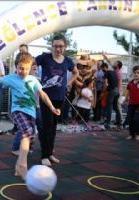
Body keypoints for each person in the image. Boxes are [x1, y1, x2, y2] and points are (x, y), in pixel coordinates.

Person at [0, 52, 60, 179]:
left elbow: (43, 95)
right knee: (27, 132)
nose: (23, 71)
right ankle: (23, 165)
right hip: (17, 111)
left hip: (31, 113)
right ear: (16, 66)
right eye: (21, 68)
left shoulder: (33, 80)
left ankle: (18, 167)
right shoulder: (11, 78)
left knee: (30, 138)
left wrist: (51, 107)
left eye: (27, 69)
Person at [35, 34, 78, 166]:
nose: (57, 49)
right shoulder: (45, 57)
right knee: (47, 125)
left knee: (53, 127)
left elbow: (76, 73)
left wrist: (69, 83)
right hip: (46, 96)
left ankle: (50, 153)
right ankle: (44, 155)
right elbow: (30, 63)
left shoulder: (68, 61)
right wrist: (33, 76)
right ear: (51, 46)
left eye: (60, 46)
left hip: (60, 98)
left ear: (65, 47)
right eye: (55, 46)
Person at [101, 61, 120, 130]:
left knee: (109, 107)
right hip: (117, 90)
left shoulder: (106, 73)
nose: (102, 71)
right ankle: (119, 122)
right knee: (115, 107)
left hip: (111, 91)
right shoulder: (113, 72)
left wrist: (103, 92)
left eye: (102, 69)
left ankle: (108, 122)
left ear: (104, 68)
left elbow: (105, 84)